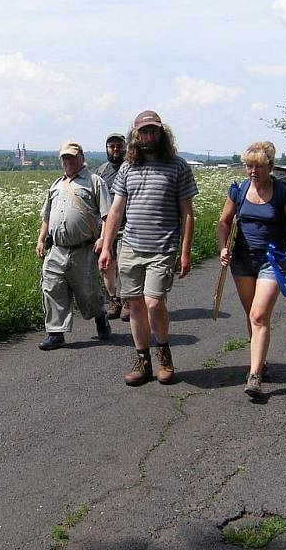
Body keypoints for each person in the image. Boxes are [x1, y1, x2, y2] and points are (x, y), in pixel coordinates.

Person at [98, 110, 198, 386]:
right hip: (130, 246)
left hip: (162, 248)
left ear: (161, 134)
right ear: (136, 135)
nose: (149, 136)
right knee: (136, 304)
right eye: (144, 132)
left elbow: (187, 214)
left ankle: (164, 353)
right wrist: (107, 247)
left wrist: (185, 252)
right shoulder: (128, 168)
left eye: (153, 131)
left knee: (154, 303)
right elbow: (116, 211)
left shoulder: (177, 166)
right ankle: (143, 361)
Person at [218, 142, 286, 397]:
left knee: (259, 315)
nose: (252, 171)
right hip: (242, 260)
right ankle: (260, 361)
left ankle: (254, 375)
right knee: (252, 315)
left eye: (258, 166)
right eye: (249, 166)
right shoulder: (239, 189)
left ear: (269, 166)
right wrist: (222, 248)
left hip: (272, 259)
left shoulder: (282, 193)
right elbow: (224, 222)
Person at [36, 141, 112, 350]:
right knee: (52, 287)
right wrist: (41, 239)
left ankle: (100, 316)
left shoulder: (95, 182)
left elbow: (107, 215)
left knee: (88, 293)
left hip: (84, 250)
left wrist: (103, 239)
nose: (68, 161)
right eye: (64, 158)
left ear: (82, 158)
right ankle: (55, 333)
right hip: (57, 249)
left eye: (71, 157)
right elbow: (47, 216)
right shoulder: (56, 185)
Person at [95, 132, 129, 321]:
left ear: (125, 147)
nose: (115, 149)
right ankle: (113, 300)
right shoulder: (101, 171)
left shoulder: (132, 168)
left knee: (125, 266)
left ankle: (127, 301)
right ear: (106, 149)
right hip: (105, 228)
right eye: (111, 146)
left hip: (127, 227)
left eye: (119, 145)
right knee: (107, 266)